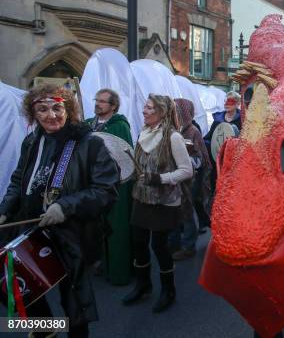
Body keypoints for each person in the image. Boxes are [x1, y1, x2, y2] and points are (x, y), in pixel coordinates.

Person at [0, 84, 119, 337]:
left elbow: (106, 191)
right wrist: (6, 208)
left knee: (74, 304)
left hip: (72, 234)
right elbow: (19, 178)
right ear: (33, 113)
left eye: (57, 108)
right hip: (32, 228)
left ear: (69, 109)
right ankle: (46, 330)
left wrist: (65, 206)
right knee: (25, 287)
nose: (50, 115)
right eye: (42, 109)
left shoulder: (89, 144)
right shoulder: (32, 141)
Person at [122, 94, 193, 313]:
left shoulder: (173, 137)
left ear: (161, 112)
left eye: (149, 108)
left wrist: (159, 178)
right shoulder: (143, 133)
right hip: (142, 198)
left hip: (164, 201)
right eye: (145, 106)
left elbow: (187, 170)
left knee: (160, 247)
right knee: (138, 243)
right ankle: (143, 285)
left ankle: (168, 290)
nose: (144, 111)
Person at [85, 88, 133, 285]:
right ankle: (102, 262)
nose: (98, 104)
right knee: (97, 226)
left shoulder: (120, 126)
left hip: (117, 185)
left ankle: (119, 270)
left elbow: (126, 160)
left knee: (117, 227)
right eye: (97, 100)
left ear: (113, 106)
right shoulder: (88, 124)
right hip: (94, 183)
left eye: (103, 101)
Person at [168, 98, 210, 260]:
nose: (174, 114)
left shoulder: (193, 131)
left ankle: (188, 246)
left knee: (186, 211)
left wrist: (184, 160)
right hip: (176, 177)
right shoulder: (173, 129)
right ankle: (174, 243)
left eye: (177, 111)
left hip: (191, 179)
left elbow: (199, 160)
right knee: (175, 210)